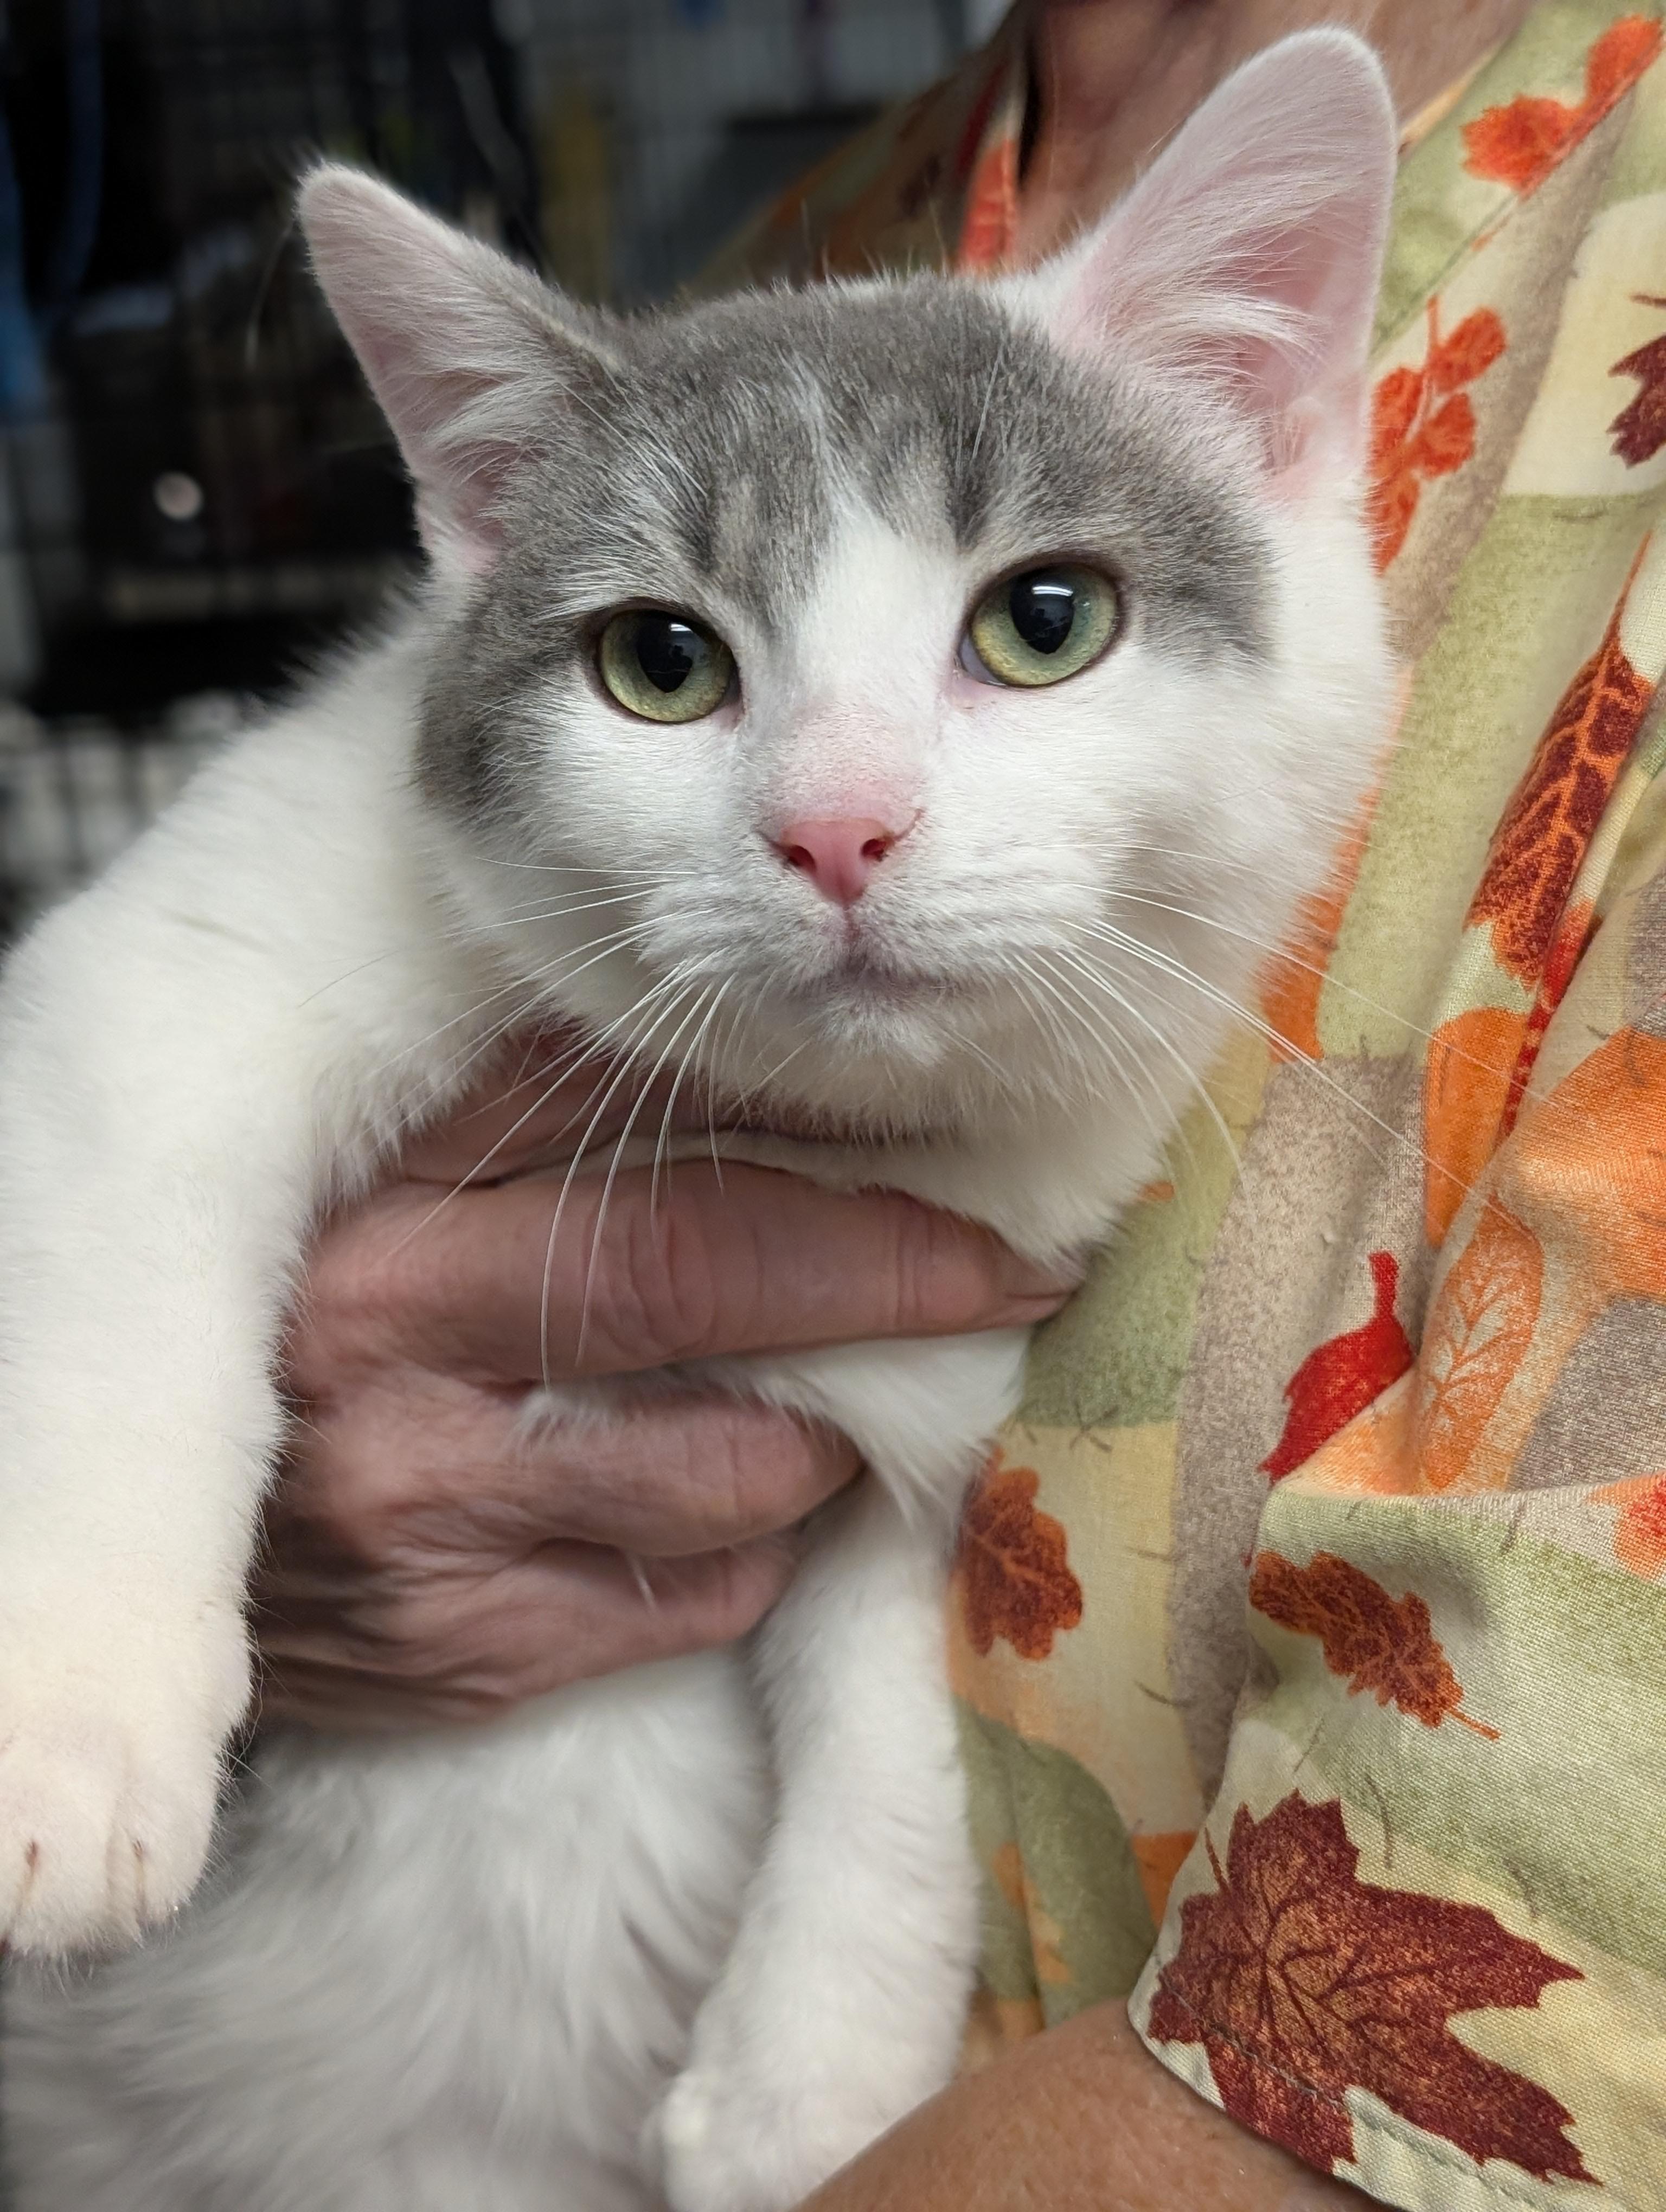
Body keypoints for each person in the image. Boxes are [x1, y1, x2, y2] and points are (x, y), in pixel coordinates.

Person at [257, 0, 1666, 2204]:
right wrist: (242, 1482)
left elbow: (1537, 2012)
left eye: (1033, 617)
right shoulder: (823, 240)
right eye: (673, 661)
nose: (842, 823)